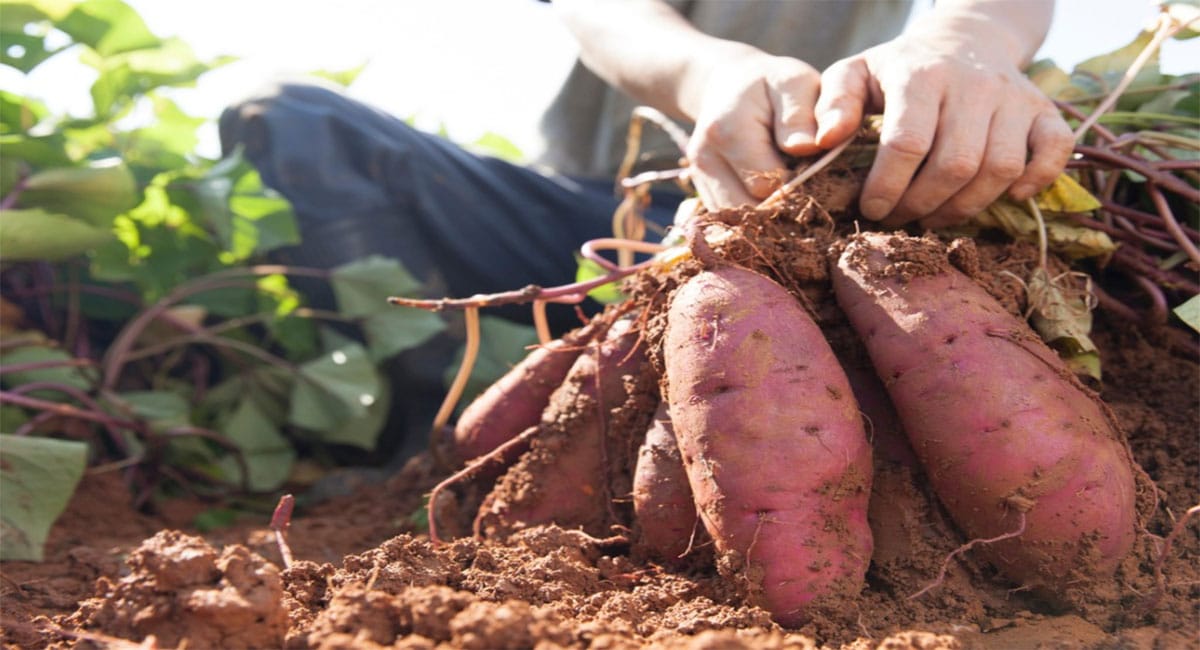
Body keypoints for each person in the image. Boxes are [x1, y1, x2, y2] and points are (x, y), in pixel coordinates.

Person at [218, 0, 1071, 451]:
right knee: (289, 119)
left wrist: (967, 42)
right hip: (596, 213)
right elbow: (607, 12)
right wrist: (713, 75)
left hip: (792, 221)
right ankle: (428, 434)